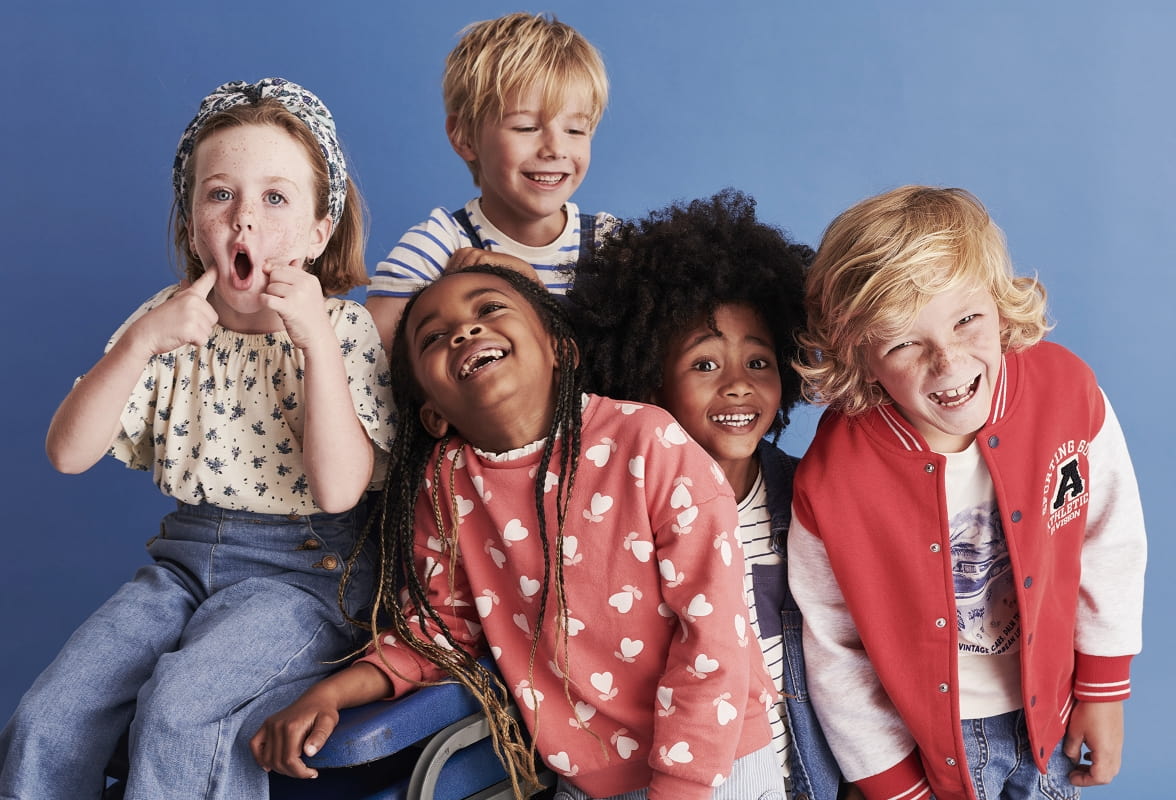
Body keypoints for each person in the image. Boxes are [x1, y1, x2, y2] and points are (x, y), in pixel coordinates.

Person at [253, 264, 784, 800]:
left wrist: (680, 789)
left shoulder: (649, 441)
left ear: (561, 350)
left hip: (715, 768)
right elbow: (443, 631)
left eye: (489, 309)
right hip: (588, 779)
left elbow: (713, 635)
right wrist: (333, 694)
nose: (464, 331)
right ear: (433, 414)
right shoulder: (445, 482)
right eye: (434, 336)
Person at [0, 78, 394, 799]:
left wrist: (312, 344)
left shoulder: (341, 330)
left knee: (180, 711)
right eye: (221, 196)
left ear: (319, 229)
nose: (245, 220)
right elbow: (67, 453)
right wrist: (140, 343)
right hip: (184, 564)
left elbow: (340, 488)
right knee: (46, 717)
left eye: (276, 198)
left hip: (306, 578)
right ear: (191, 224)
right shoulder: (166, 321)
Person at [787, 185, 1147, 800]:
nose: (948, 362)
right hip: (926, 742)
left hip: (1053, 720)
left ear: (998, 305)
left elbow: (1108, 540)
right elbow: (833, 641)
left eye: (966, 320)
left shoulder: (1067, 394)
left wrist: (1104, 688)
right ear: (860, 356)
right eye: (903, 342)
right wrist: (889, 781)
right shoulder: (833, 476)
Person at [564, 189, 856, 800]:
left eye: (758, 363)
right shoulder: (614, 511)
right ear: (648, 377)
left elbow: (853, 652)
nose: (737, 387)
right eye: (704, 365)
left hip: (799, 773)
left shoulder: (809, 497)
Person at [366, 11, 615, 350]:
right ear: (464, 137)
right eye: (526, 127)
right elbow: (363, 370)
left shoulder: (610, 246)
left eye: (575, 130)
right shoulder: (436, 250)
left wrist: (525, 286)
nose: (555, 148)